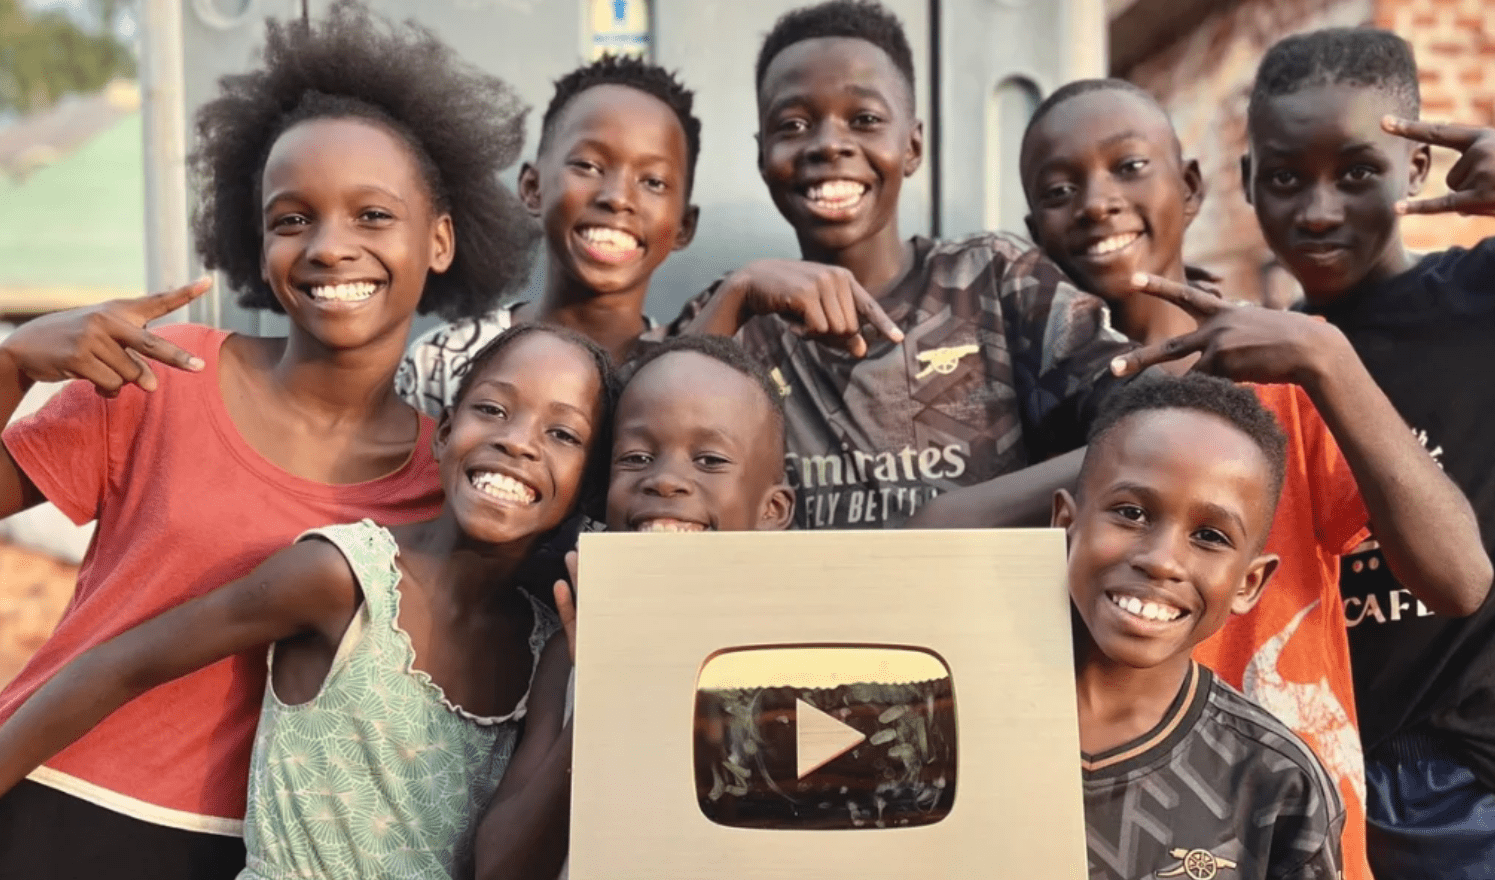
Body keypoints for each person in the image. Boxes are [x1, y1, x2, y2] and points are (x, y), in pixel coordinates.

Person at [0, 2, 538, 875]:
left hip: (256, 851)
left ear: (439, 239)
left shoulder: (450, 474)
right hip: (53, 800)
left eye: (372, 216)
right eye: (293, 219)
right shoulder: (162, 377)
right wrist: (15, 364)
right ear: (258, 240)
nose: (330, 246)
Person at [933, 76, 1487, 880]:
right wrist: (1144, 439)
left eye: (1129, 167)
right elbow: (934, 534)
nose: (1096, 203)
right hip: (1092, 813)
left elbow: (1459, 577)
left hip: (1280, 815)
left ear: (1192, 186)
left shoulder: (1292, 378)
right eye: (1059, 188)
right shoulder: (1042, 398)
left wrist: (1310, 363)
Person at [0, 323, 616, 880]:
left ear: (590, 483)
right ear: (446, 432)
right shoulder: (344, 575)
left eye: (561, 433)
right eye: (493, 409)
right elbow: (124, 664)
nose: (518, 442)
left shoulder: (547, 648)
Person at [668, 0, 1135, 530]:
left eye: (864, 120)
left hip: (982, 611)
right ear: (762, 155)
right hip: (792, 613)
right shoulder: (731, 314)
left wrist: (961, 513)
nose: (828, 144)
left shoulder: (997, 279)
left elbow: (1150, 423)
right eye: (793, 124)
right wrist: (739, 291)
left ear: (912, 145)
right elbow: (641, 462)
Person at [1243, 26, 1495, 878]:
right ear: (1245, 183)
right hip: (1293, 767)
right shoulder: (1251, 359)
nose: (1317, 210)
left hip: (1456, 781)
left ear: (1415, 169)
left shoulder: (1474, 299)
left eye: (1355, 174)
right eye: (1283, 178)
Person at [470, 334, 794, 880]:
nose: (665, 479)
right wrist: (605, 688)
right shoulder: (571, 656)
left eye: (710, 460)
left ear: (773, 508)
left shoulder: (803, 650)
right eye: (637, 457)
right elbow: (500, 869)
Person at [1060, 373, 1343, 880]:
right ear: (1065, 525)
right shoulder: (952, 723)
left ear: (1248, 584)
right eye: (1131, 513)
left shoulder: (1274, 782)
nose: (1162, 560)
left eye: (1210, 536)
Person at [399, 53, 702, 416]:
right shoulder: (443, 364)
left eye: (653, 181)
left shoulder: (688, 383)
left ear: (684, 225)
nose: (617, 198)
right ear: (532, 188)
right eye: (588, 166)